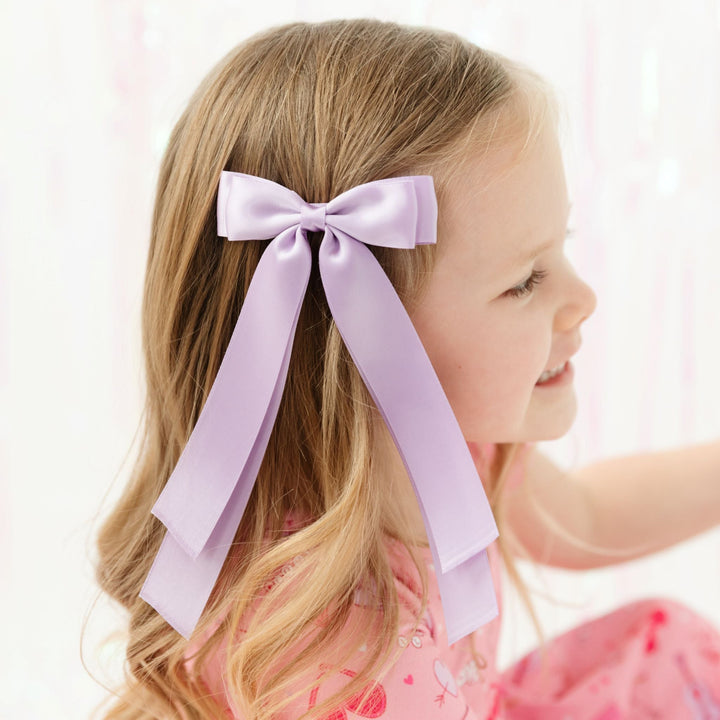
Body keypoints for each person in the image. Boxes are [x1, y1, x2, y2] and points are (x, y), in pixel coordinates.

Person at [90, 18, 720, 720]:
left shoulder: (452, 456)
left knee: (671, 659)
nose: (582, 299)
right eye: (525, 282)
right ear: (358, 347)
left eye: (561, 246)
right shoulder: (308, 638)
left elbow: (588, 515)